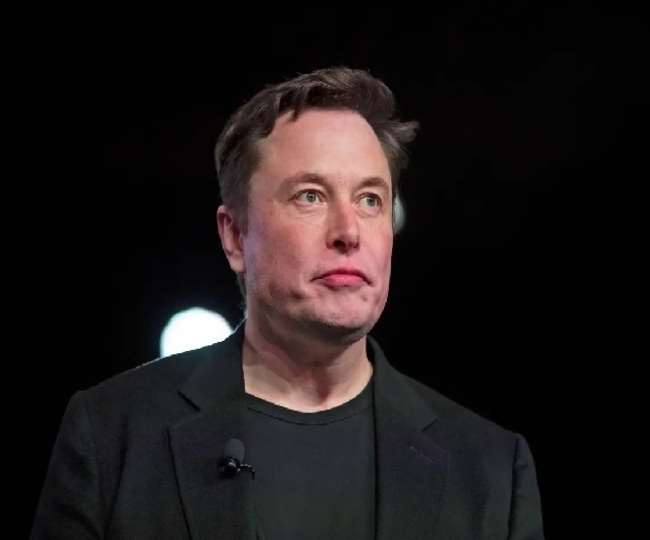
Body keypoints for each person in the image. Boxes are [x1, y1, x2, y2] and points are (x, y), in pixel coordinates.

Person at [31, 67, 545, 539]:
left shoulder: (491, 470)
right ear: (235, 236)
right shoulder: (111, 434)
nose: (348, 232)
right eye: (310, 196)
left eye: (370, 200)